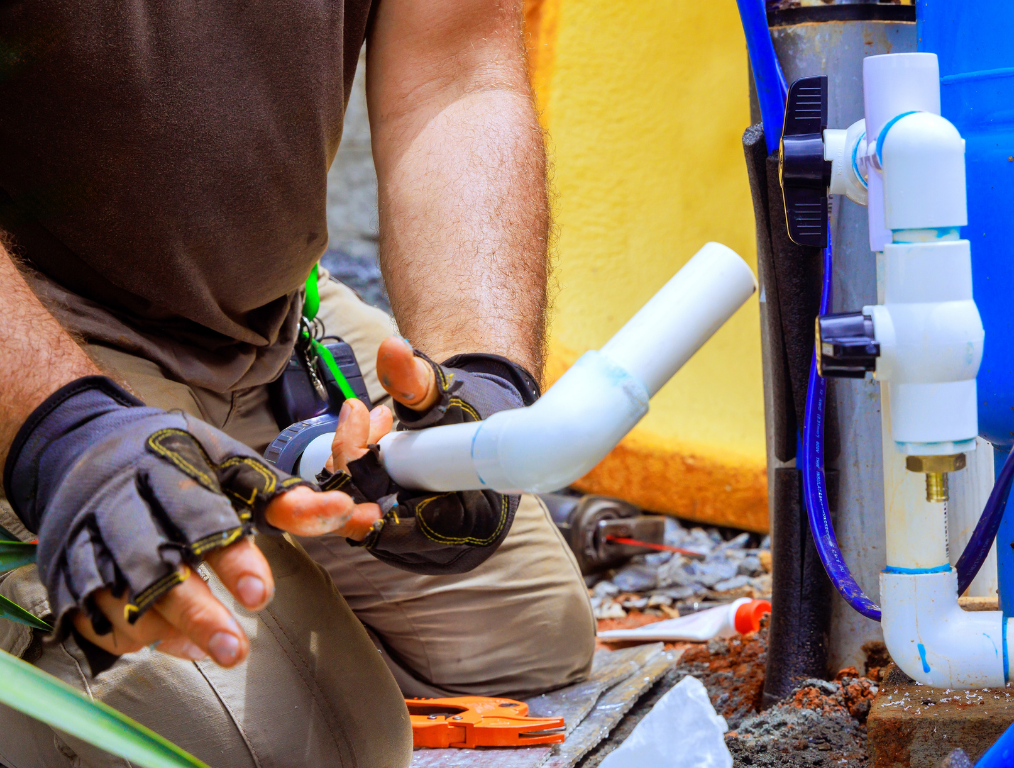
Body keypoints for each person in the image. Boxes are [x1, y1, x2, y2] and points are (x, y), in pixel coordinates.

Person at [0, 1, 596, 766]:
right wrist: (63, 434)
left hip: (268, 323)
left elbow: (457, 73)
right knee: (290, 748)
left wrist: (481, 379)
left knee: (525, 637)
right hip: (37, 339)